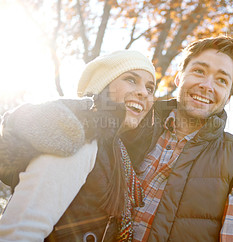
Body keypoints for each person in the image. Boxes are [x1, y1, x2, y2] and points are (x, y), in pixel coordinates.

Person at [0, 50, 156, 241]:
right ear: (103, 85)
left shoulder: (115, 151)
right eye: (131, 80)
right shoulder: (78, 136)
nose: (143, 93)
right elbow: (20, 232)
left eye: (150, 88)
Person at [121, 36, 233, 241]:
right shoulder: (132, 123)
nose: (207, 85)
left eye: (221, 80)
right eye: (199, 71)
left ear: (228, 97)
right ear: (179, 77)